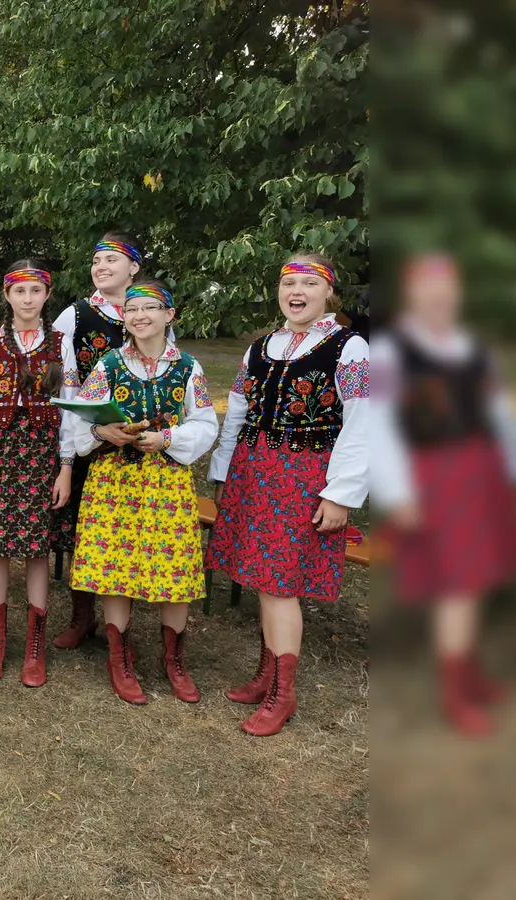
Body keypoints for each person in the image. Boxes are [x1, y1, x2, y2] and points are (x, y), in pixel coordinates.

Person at [207, 255, 371, 736]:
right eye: (288, 283)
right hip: (253, 471)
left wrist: (340, 493)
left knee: (280, 584)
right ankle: (266, 674)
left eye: (308, 283)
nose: (296, 291)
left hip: (304, 476)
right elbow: (236, 412)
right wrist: (222, 471)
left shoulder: (350, 346)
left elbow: (364, 422)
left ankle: (283, 693)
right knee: (262, 576)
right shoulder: (261, 346)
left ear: (328, 293)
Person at [372, 253, 516, 736]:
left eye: (446, 286)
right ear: (411, 292)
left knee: (477, 580)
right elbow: (378, 427)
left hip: (481, 473)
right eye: (427, 286)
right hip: (432, 477)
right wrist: (398, 492)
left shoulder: (472, 346)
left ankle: (470, 672)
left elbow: (497, 414)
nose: (438, 295)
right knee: (456, 587)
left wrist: (514, 476)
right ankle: (454, 690)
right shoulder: (389, 352)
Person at [65, 279, 218, 706]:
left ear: (169, 315)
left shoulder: (189, 367)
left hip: (166, 482)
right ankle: (120, 658)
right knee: (114, 567)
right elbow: (81, 419)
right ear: (123, 317)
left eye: (150, 308)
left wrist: (168, 439)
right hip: (114, 480)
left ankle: (175, 661)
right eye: (132, 310)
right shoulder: (108, 366)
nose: (139, 316)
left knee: (176, 570)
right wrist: (102, 430)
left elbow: (205, 423)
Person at [0, 262, 72, 686]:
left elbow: (71, 410)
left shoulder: (60, 345)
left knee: (38, 549)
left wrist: (65, 467)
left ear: (47, 295)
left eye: (36, 291)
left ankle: (34, 649)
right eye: (20, 291)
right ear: (6, 296)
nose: (28, 299)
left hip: (42, 453)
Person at [50, 231, 143, 651]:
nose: (101, 267)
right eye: (97, 261)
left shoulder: (146, 312)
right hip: (89, 437)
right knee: (81, 528)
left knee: (125, 529)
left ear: (134, 269)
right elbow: (56, 379)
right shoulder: (76, 315)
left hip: (138, 440)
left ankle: (118, 624)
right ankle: (82, 616)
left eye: (111, 260)